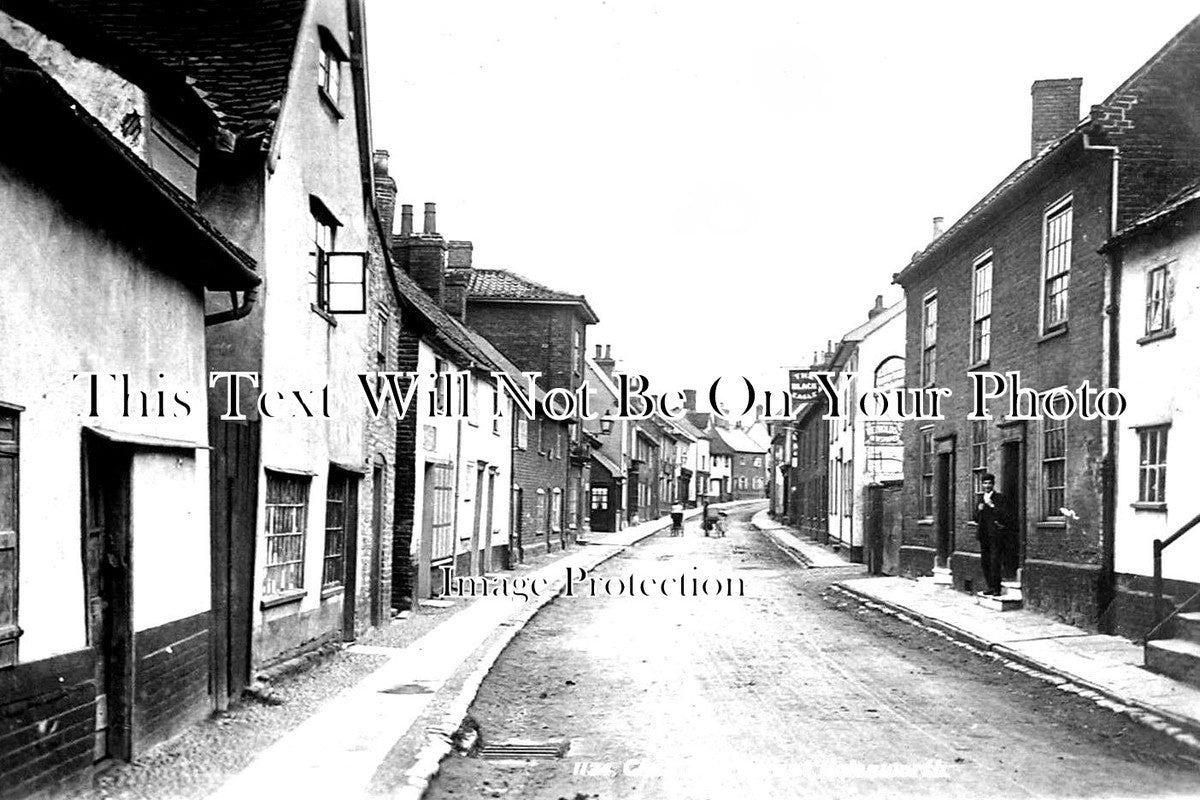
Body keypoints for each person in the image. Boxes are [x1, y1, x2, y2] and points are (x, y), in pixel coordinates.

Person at [974, 473, 1012, 596]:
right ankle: (989, 586)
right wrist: (979, 510)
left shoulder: (1000, 498)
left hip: (995, 535)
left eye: (989, 483)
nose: (987, 485)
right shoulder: (980, 498)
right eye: (985, 483)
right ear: (982, 484)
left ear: (993, 484)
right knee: (985, 562)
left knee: (995, 561)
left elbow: (1005, 516)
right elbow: (975, 518)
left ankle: (997, 588)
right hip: (983, 535)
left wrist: (992, 505)